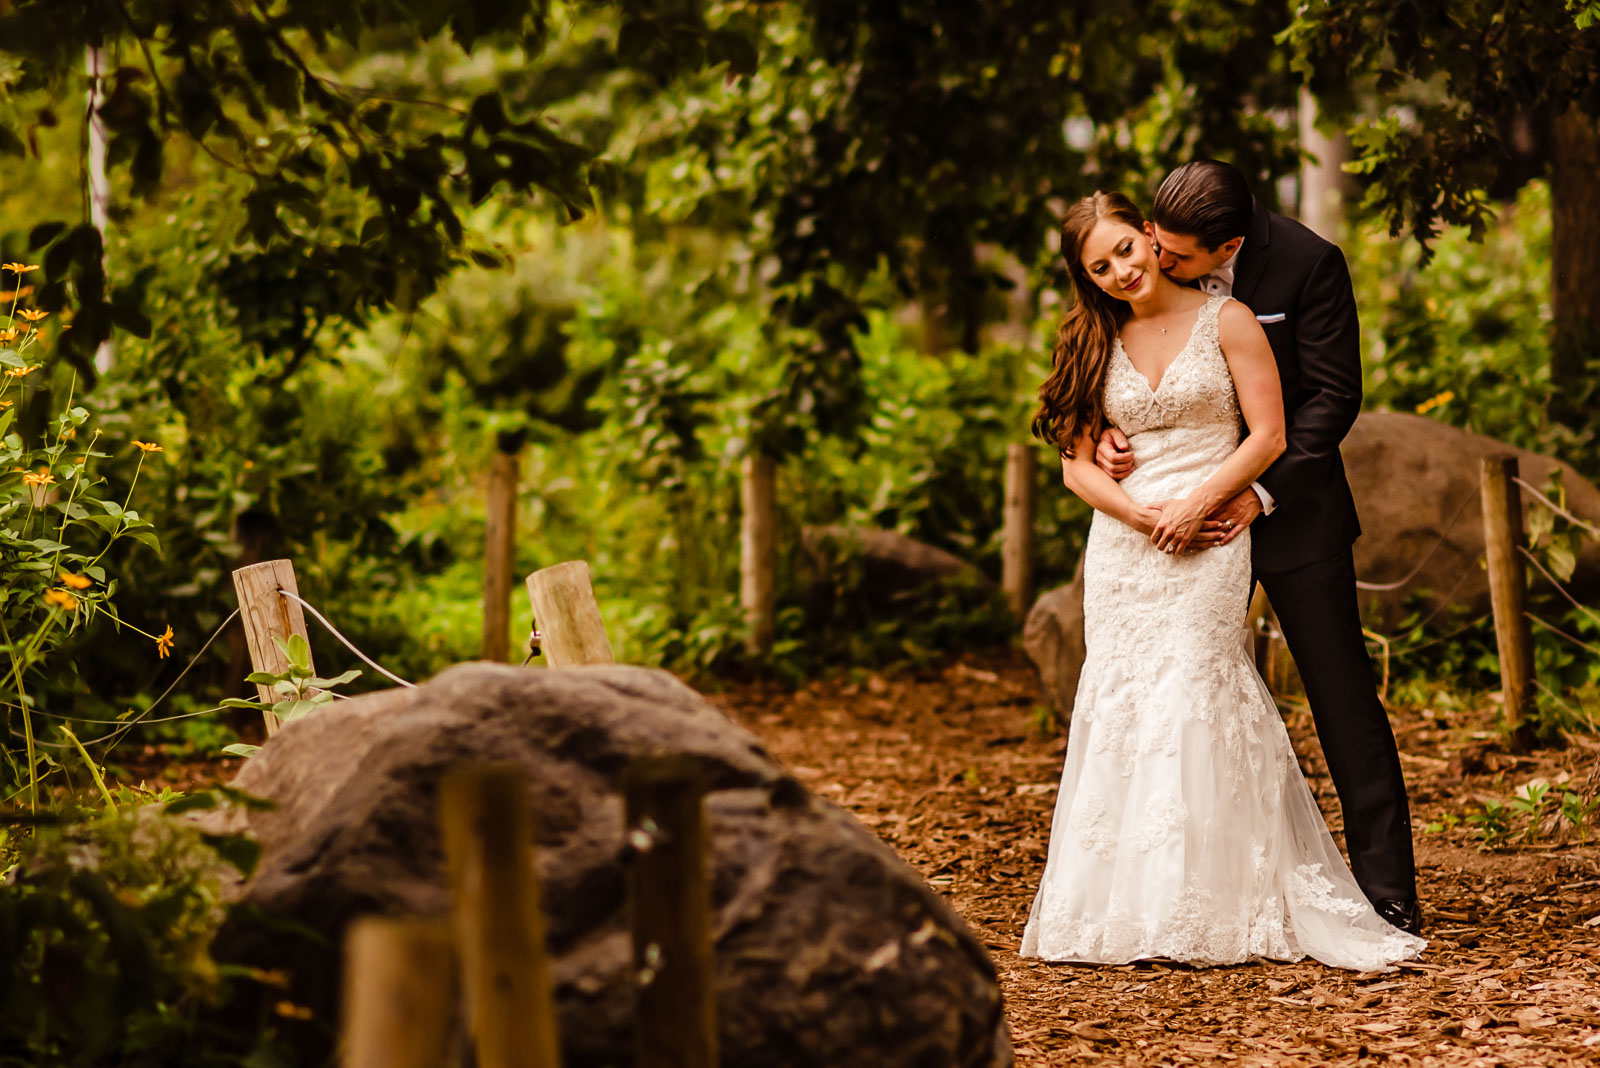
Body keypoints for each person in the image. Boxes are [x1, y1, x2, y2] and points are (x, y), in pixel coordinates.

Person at [1018, 190, 1424, 970]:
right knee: (1137, 698)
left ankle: (1384, 892)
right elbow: (1072, 455)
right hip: (1137, 542)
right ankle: (1147, 896)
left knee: (1323, 696)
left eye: (1131, 252)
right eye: (1100, 265)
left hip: (1270, 511)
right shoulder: (1096, 329)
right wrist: (1128, 488)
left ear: (1171, 239)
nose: (1129, 269)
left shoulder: (1291, 274)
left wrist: (1220, 500)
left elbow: (1317, 405)